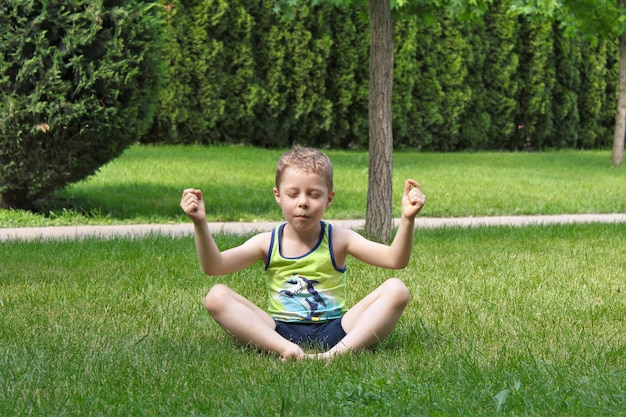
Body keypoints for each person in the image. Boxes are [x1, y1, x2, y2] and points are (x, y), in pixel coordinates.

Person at [180, 147, 426, 360]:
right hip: (278, 332)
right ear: (278, 196)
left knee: (397, 289)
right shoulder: (267, 242)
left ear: (329, 199)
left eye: (314, 194)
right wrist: (200, 223)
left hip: (337, 329)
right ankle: (287, 350)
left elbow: (395, 260)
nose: (303, 202)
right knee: (216, 296)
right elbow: (214, 266)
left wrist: (407, 219)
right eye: (293, 193)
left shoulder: (340, 238)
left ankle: (336, 354)